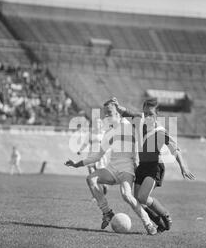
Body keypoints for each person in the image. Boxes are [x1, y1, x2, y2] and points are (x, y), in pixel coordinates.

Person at [65, 101, 157, 235]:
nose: (106, 116)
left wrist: (123, 108)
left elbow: (142, 117)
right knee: (91, 179)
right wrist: (77, 164)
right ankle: (107, 212)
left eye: (109, 112)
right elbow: (97, 156)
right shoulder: (108, 132)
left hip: (127, 168)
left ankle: (148, 223)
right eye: (105, 113)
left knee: (126, 195)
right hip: (112, 169)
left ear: (117, 112)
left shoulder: (130, 124)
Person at [111, 97, 195, 232]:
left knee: (143, 197)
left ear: (157, 115)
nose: (147, 116)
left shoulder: (161, 132)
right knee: (138, 201)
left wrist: (183, 167)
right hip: (142, 166)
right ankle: (159, 223)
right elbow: (126, 112)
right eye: (145, 113)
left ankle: (165, 215)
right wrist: (117, 106)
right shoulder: (139, 121)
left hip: (155, 167)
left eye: (151, 114)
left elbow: (175, 150)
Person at [77, 118, 109, 199]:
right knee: (91, 175)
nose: (97, 124)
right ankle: (95, 196)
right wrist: (80, 150)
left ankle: (104, 185)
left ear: (101, 124)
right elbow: (85, 143)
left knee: (99, 176)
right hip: (91, 156)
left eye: (99, 122)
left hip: (100, 158)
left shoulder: (104, 134)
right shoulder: (91, 134)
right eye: (95, 123)